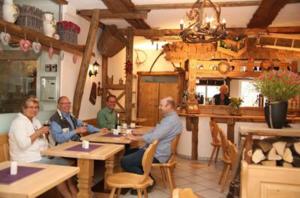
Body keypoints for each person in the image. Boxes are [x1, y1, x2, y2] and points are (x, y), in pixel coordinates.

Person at [9, 96, 77, 198]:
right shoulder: (18, 123)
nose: (34, 110)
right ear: (24, 108)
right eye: (31, 107)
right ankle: (69, 196)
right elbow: (23, 145)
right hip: (26, 160)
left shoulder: (35, 120)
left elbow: (42, 141)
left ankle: (75, 194)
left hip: (41, 155)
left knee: (67, 166)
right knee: (58, 170)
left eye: (36, 107)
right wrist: (39, 132)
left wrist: (47, 147)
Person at [121, 96, 182, 176]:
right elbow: (156, 131)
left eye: (161, 105)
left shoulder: (170, 121)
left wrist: (136, 138)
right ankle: (137, 178)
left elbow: (154, 137)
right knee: (127, 152)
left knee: (125, 161)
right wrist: (140, 133)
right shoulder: (170, 118)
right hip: (158, 151)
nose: (159, 108)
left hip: (157, 154)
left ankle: (147, 181)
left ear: (169, 106)